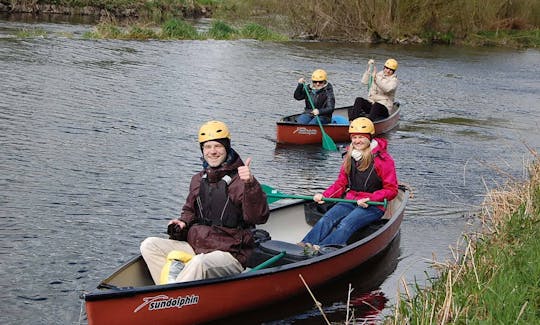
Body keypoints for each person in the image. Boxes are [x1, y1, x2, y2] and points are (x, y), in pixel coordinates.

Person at [140, 120, 270, 284]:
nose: (213, 152)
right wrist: (182, 223)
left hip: (230, 253)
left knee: (199, 262)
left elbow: (258, 217)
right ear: (202, 151)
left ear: (227, 148)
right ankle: (166, 292)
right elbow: (189, 212)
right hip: (197, 246)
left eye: (218, 146)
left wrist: (250, 184)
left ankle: (173, 297)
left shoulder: (241, 181)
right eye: (207, 147)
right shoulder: (197, 180)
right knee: (149, 245)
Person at [298, 117, 398, 249]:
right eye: (354, 137)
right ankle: (305, 244)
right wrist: (325, 195)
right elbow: (341, 183)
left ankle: (322, 249)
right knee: (326, 219)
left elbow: (392, 190)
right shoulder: (349, 157)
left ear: (370, 137)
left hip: (373, 205)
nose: (357, 141)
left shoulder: (383, 160)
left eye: (361, 137)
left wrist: (371, 198)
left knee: (346, 223)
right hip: (351, 200)